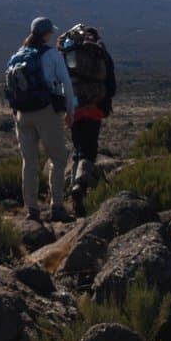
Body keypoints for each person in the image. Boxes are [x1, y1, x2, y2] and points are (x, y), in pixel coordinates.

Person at [5, 17, 75, 222]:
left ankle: (32, 210)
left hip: (21, 114)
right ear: (46, 34)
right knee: (58, 158)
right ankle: (57, 207)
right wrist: (70, 111)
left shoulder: (17, 55)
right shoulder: (52, 54)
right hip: (45, 111)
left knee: (29, 162)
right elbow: (66, 84)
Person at [57, 23, 116, 215]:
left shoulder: (70, 52)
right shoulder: (99, 53)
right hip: (94, 108)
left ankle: (76, 199)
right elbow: (111, 86)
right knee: (88, 151)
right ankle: (80, 186)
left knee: (77, 148)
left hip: (74, 106)